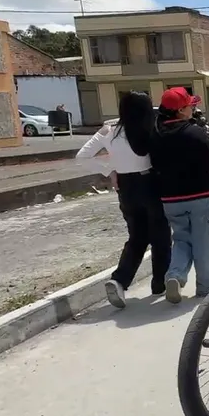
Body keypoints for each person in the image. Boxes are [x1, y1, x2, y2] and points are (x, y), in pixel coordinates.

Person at [75, 92, 170, 309]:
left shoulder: (109, 130)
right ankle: (160, 283)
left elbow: (82, 156)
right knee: (160, 236)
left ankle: (119, 280)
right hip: (150, 183)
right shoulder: (151, 127)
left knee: (137, 237)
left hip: (125, 186)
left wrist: (109, 170)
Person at [148, 87, 209, 303]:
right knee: (205, 243)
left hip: (170, 198)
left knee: (181, 240)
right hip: (199, 194)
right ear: (180, 110)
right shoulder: (194, 132)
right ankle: (207, 288)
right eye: (190, 105)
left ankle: (175, 275)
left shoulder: (156, 134)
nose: (193, 108)